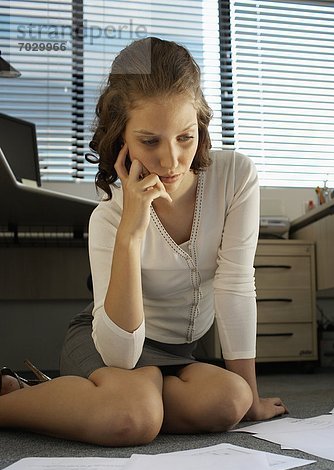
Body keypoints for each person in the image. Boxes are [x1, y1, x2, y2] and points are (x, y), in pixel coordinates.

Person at [0, 37, 286, 446]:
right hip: (109, 338)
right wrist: (131, 231)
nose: (170, 161)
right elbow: (120, 355)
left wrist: (253, 400)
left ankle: (81, 399)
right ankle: (28, 402)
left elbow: (235, 284)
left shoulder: (235, 176)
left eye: (185, 137)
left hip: (178, 352)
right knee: (132, 418)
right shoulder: (109, 217)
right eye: (150, 141)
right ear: (122, 140)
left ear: (200, 125)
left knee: (231, 401)